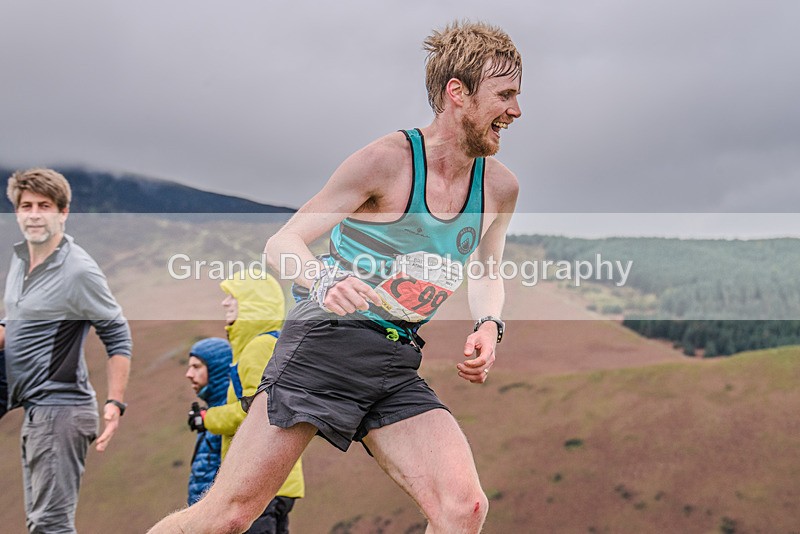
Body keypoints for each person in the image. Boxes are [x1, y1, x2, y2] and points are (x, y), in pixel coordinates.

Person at [149, 20, 521, 534]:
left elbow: (487, 268)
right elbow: (281, 244)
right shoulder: (386, 162)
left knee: (463, 508)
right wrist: (323, 278)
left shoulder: (499, 187)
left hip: (394, 358)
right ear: (458, 93)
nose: (516, 111)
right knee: (229, 516)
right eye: (505, 95)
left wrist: (488, 324)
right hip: (324, 343)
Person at [1, 168, 133, 533]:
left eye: (44, 206)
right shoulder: (21, 260)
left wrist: (115, 402)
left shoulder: (78, 270)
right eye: (26, 206)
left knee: (51, 525)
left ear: (63, 212)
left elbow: (117, 334)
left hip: (60, 410)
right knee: (40, 523)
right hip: (34, 408)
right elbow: (16, 325)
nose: (34, 214)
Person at [197, 270, 304, 533]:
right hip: (272, 478)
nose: (224, 303)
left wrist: (208, 418)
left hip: (259, 478)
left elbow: (258, 411)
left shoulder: (258, 347)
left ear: (252, 303)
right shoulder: (267, 344)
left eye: (232, 297)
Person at [185, 337, 233, 505]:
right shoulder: (214, 412)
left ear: (216, 369)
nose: (189, 374)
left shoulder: (229, 411)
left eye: (196, 367)